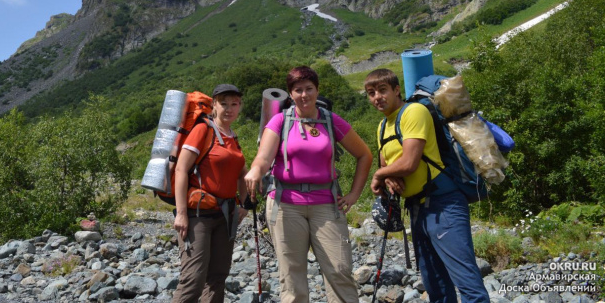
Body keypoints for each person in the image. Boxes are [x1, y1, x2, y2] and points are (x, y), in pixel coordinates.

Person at [245, 66, 371, 303]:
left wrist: (354, 194)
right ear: (290, 94)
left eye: (309, 89)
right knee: (291, 278)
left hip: (327, 204)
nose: (304, 95)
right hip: (285, 204)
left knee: (340, 270)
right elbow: (264, 157)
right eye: (298, 90)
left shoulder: (331, 120)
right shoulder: (279, 120)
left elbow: (364, 154)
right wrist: (255, 170)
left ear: (317, 90)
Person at [365, 68, 489, 303]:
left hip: (444, 205)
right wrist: (387, 176)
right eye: (371, 93)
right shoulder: (382, 127)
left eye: (382, 90)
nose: (377, 97)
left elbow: (409, 162)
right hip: (417, 209)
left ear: (396, 89)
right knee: (436, 285)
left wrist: (380, 174)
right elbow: (389, 165)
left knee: (467, 281)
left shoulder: (414, 112)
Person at [172, 84, 249, 303]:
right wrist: (181, 213)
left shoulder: (232, 137)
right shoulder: (203, 130)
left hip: (226, 215)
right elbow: (181, 169)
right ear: (214, 105)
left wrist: (244, 204)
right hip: (198, 214)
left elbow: (241, 173)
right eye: (223, 103)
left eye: (234, 104)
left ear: (240, 107)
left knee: (217, 277)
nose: (229, 108)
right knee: (193, 279)